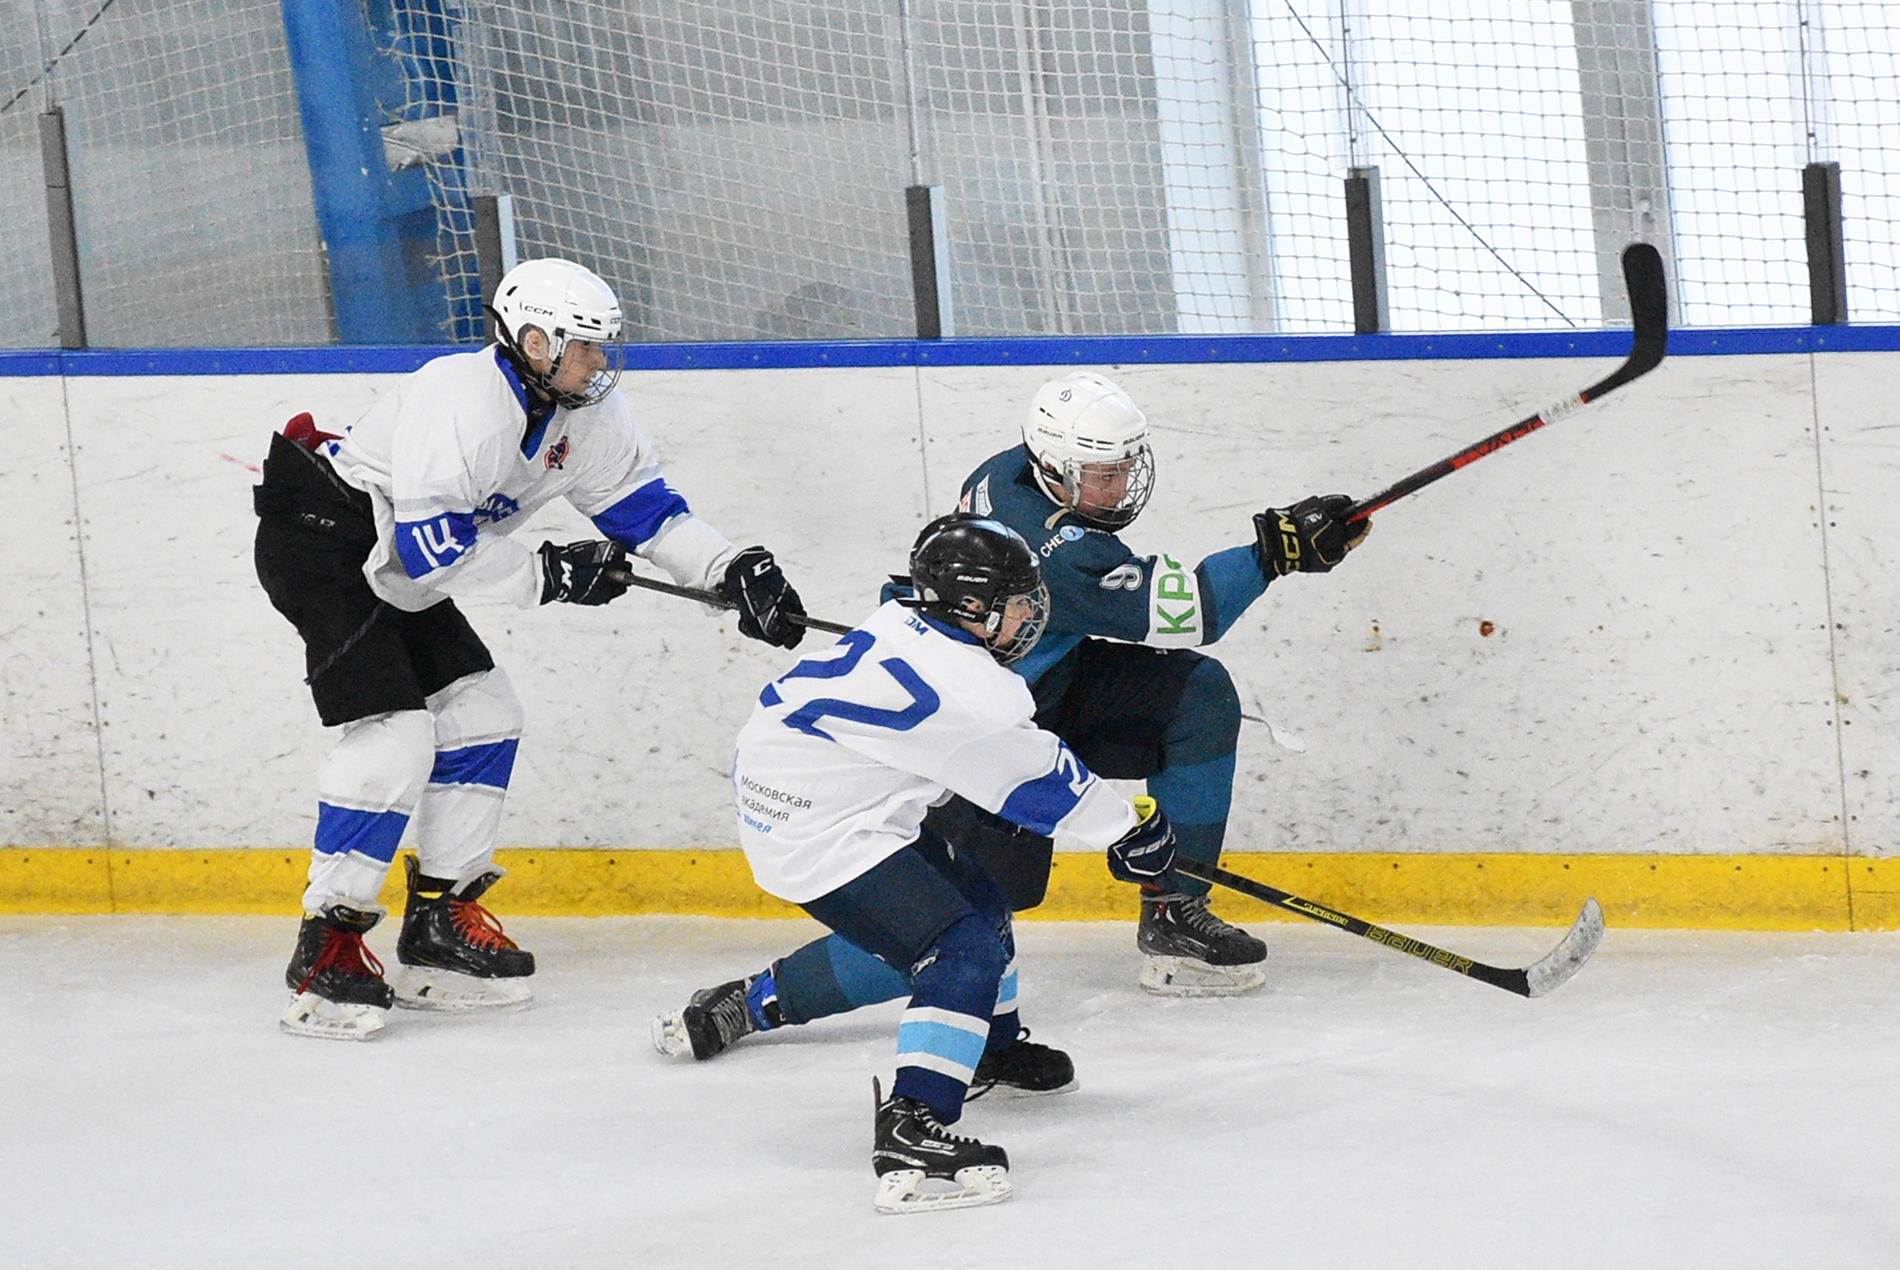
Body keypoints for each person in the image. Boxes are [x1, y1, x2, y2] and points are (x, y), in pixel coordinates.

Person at [655, 371, 1369, 1065]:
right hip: (978, 732)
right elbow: (1196, 611)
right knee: (963, 921)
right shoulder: (1056, 555)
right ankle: (758, 1000)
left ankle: (1175, 915)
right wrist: (1276, 554)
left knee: (1198, 699)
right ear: (1057, 468)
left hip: (1044, 678)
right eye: (1103, 474)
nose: (1119, 487)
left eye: (1124, 468)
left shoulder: (1011, 468)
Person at [253, 257, 806, 1041]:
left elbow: (647, 515)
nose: (598, 365)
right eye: (584, 348)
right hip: (326, 540)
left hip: (399, 560)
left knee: (483, 713)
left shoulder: (589, 416)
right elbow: (433, 551)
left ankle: (438, 923)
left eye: (603, 348)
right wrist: (551, 572)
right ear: (534, 340)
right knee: (395, 734)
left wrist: (731, 568)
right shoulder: (460, 398)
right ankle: (327, 941)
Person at [657, 513, 1177, 1213]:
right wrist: (1126, 832)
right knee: (956, 951)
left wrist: (1114, 828)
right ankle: (912, 1124)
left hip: (809, 787)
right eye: (1019, 601)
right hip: (818, 827)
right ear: (971, 607)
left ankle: (986, 1046)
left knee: (986, 908)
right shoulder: (976, 692)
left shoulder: (906, 618)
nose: (1030, 614)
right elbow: (1037, 780)